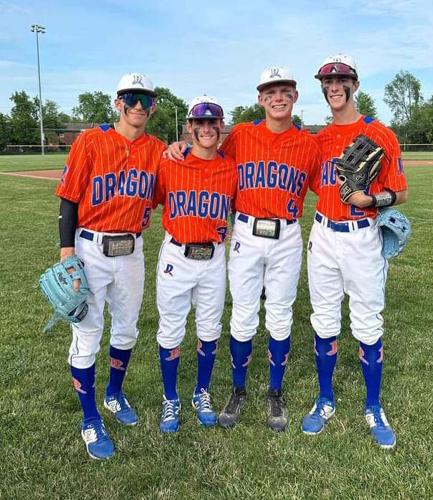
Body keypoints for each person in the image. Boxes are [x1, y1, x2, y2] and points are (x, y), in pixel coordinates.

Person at [166, 67, 320, 431]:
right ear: (260, 98)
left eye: (284, 90)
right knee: (243, 313)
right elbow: (206, 149)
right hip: (246, 233)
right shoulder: (241, 136)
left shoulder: (309, 144)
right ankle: (237, 390)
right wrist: (180, 146)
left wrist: (371, 208)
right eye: (270, 91)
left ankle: (275, 393)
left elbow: (327, 190)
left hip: (286, 235)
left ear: (295, 96)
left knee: (280, 313)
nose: (277, 97)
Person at [55, 73, 166, 460]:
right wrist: (67, 254)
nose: (138, 106)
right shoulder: (91, 140)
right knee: (87, 332)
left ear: (152, 107)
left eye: (146, 100)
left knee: (127, 328)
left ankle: (114, 394)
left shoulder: (158, 149)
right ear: (118, 102)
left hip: (132, 250)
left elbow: (168, 192)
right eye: (131, 98)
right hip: (90, 249)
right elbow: (69, 199)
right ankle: (90, 418)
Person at [302, 54, 408, 449]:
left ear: (355, 84)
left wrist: (372, 198)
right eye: (327, 80)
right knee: (324, 320)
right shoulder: (319, 140)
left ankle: (373, 405)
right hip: (323, 235)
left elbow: (402, 190)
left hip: (363, 235)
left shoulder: (379, 132)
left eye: (341, 79)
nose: (334, 86)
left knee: (367, 322)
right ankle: (325, 399)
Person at [155, 96, 237, 433]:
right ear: (189, 127)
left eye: (212, 122)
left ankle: (201, 391)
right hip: (177, 254)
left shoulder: (231, 167)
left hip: (214, 256)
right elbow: (149, 198)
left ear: (221, 127)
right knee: (171, 327)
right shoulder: (169, 163)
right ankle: (170, 397)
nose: (206, 128)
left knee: (209, 328)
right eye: (198, 123)